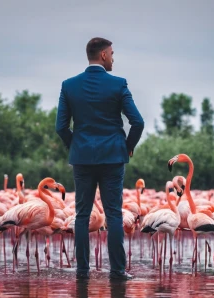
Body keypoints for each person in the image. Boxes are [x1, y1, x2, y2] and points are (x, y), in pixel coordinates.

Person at [56, 37, 144, 280]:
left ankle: (82, 271)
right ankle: (117, 271)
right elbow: (137, 122)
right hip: (113, 157)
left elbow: (61, 126)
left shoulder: (69, 85)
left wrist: (75, 145)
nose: (114, 58)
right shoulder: (118, 85)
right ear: (103, 55)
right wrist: (126, 147)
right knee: (114, 214)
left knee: (82, 215)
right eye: (112, 53)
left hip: (82, 157)